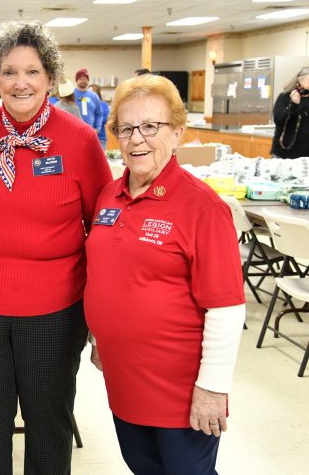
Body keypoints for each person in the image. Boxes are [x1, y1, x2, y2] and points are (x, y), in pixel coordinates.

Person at [0, 21, 112, 474]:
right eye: (9, 72)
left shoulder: (78, 139)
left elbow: (105, 228)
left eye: (32, 72)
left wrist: (105, 314)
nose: (21, 83)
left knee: (49, 425)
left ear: (50, 78)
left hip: (55, 312)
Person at [84, 74, 246, 474]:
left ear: (177, 133)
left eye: (151, 127)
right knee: (142, 467)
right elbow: (111, 274)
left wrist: (212, 388)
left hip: (180, 389)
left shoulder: (202, 207)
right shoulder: (110, 194)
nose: (137, 138)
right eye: (126, 128)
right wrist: (101, 337)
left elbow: (226, 307)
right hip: (124, 378)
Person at [270, 66, 309, 159]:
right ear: (299, 81)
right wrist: (293, 105)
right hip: (284, 154)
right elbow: (279, 120)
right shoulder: (285, 97)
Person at [74, 68, 104, 134]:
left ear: (88, 80)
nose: (83, 81)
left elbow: (99, 114)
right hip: (74, 132)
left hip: (90, 132)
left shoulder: (94, 96)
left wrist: (98, 128)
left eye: (85, 79)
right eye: (80, 79)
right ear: (76, 81)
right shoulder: (71, 95)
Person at [89, 83, 111, 149]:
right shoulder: (86, 105)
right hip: (88, 138)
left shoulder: (103, 105)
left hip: (100, 138)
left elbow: (104, 119)